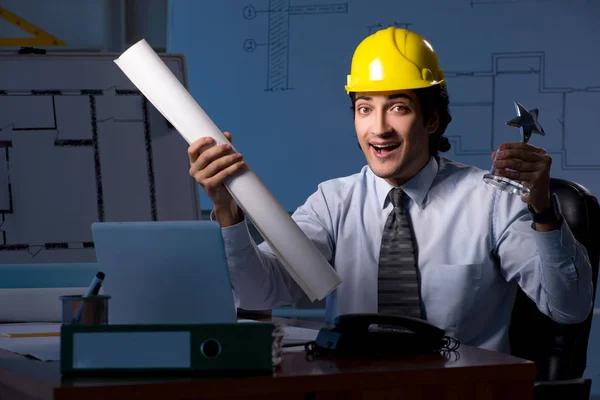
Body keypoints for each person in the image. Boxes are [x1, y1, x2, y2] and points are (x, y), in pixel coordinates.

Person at [187, 27, 593, 353]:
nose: (378, 128)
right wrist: (227, 210)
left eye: (398, 107)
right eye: (365, 108)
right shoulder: (332, 202)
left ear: (431, 120)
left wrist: (543, 211)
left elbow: (569, 309)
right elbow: (260, 291)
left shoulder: (491, 202)